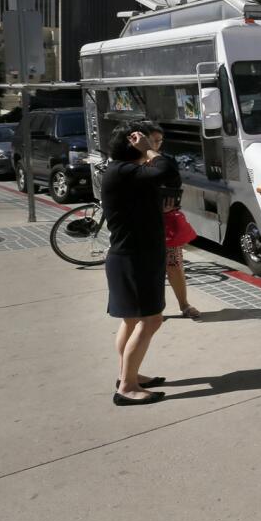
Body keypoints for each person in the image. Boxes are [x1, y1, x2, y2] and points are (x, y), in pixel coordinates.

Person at [102, 122, 177, 405]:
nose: (157, 147)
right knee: (151, 320)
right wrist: (148, 151)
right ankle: (127, 387)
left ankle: (128, 374)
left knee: (132, 320)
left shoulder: (122, 172)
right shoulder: (124, 170)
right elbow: (167, 170)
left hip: (130, 256)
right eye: (152, 141)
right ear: (133, 143)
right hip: (134, 258)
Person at [139, 122, 200, 318]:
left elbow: (174, 183)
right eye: (153, 141)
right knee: (148, 269)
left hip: (165, 222)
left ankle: (184, 305)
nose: (157, 145)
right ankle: (150, 309)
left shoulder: (164, 161)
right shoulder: (133, 163)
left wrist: (171, 203)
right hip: (141, 224)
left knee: (174, 265)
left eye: (160, 141)